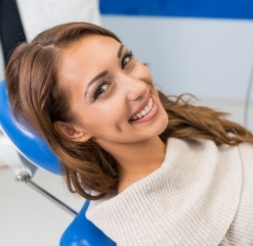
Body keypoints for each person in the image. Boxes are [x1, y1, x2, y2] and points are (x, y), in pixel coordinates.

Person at [5, 22, 253, 245]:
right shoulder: (157, 233)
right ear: (73, 130)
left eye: (126, 61)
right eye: (102, 89)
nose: (138, 87)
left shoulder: (189, 128)